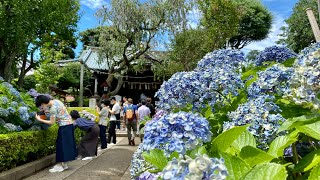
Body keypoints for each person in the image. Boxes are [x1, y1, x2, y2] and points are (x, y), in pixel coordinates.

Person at [35, 95, 77, 173]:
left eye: (40, 106)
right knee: (66, 146)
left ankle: (60, 166)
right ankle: (64, 164)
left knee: (61, 146)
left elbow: (51, 122)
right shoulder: (57, 101)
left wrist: (40, 119)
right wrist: (48, 112)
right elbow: (60, 113)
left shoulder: (53, 109)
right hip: (69, 125)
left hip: (64, 126)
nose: (41, 108)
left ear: (43, 103)